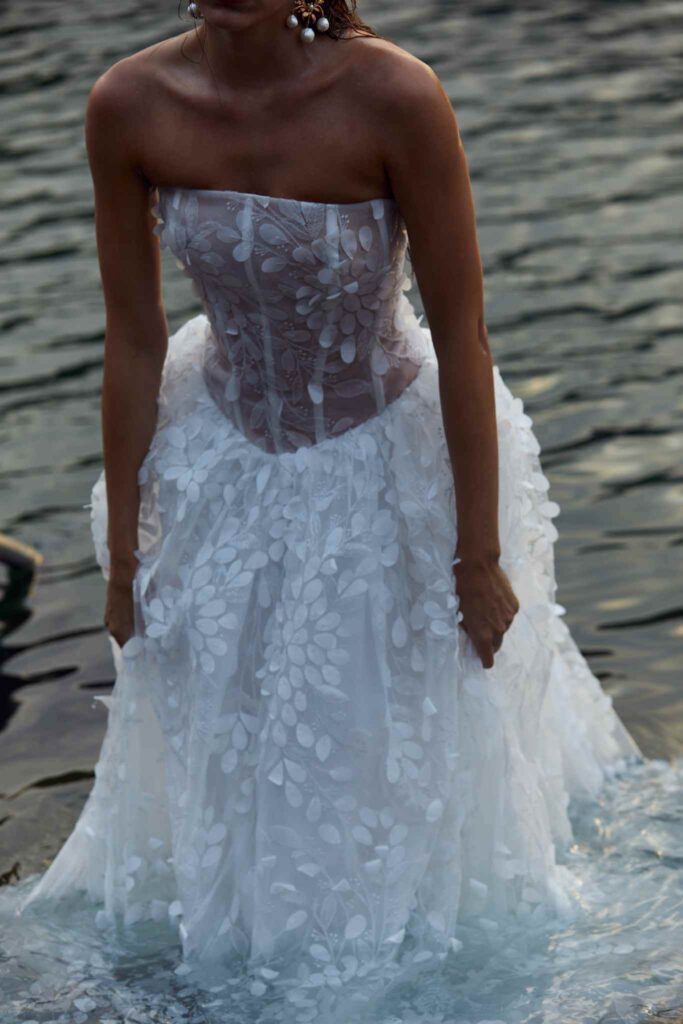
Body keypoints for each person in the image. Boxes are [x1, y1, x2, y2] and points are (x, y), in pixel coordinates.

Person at [4, 4, 680, 1023]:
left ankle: (382, 923)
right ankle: (252, 922)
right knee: (238, 724)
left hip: (383, 460)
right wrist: (126, 545)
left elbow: (462, 333)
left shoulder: (393, 93)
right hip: (218, 454)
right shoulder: (127, 103)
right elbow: (133, 337)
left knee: (377, 721)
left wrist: (475, 551)